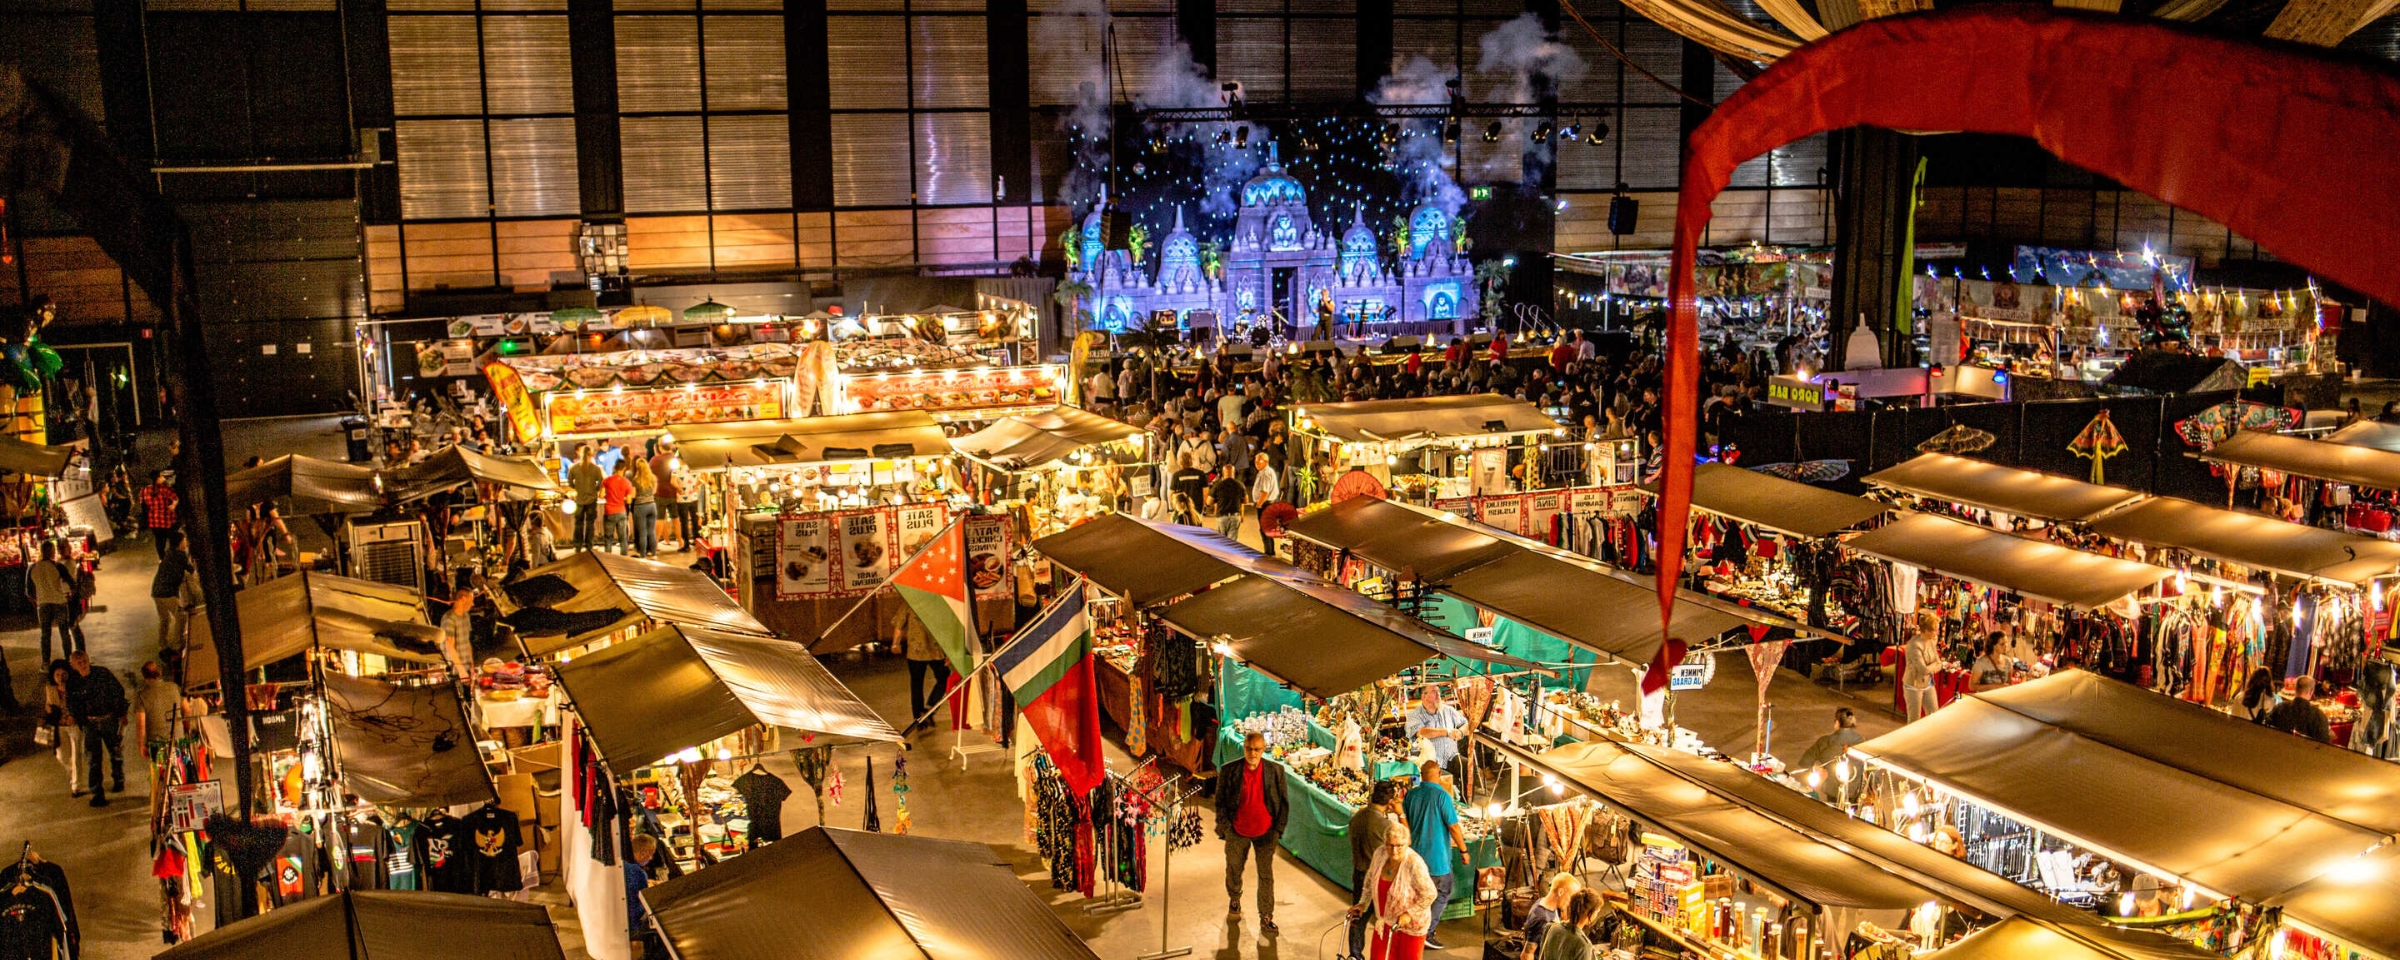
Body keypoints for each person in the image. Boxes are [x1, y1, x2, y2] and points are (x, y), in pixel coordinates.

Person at [1214, 731, 1289, 933]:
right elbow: (1220, 801)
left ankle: (1266, 915)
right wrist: (1226, 827)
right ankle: (1235, 898)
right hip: (1237, 831)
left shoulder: (1276, 771)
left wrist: (1277, 830)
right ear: (1243, 748)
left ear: (1263, 750)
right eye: (1249, 749)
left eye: (1257, 749)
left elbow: (1283, 803)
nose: (1252, 753)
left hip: (1266, 833)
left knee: (1266, 875)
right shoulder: (1230, 771)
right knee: (1234, 869)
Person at [1349, 818, 1437, 960]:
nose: (1394, 850)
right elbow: (1370, 880)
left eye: (1399, 846)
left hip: (1411, 928)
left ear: (1407, 843)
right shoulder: (1380, 854)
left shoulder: (1414, 864)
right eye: (1390, 845)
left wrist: (1409, 914)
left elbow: (1430, 893)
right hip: (1385, 922)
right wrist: (1362, 904)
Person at [1402, 760, 1466, 950]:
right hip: (1437, 861)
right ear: (1437, 773)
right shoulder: (1442, 796)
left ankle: (1411, 929)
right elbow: (1453, 827)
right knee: (1441, 893)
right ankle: (1426, 932)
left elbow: (1405, 822)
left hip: (1415, 858)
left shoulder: (1411, 795)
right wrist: (1464, 850)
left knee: (1417, 896)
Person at [1346, 780, 1405, 960]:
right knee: (1386, 919)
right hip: (1378, 878)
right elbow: (1405, 841)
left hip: (1359, 872)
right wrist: (1401, 814)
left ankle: (1355, 954)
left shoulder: (1357, 818)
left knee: (1359, 916)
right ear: (1389, 803)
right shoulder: (1384, 825)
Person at [66, 651, 127, 806]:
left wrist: (120, 713)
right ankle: (97, 793)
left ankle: (118, 777)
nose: (83, 664)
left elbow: (118, 692)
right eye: (78, 663)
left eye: (84, 661)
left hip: (109, 719)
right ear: (73, 664)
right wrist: (82, 720)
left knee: (115, 752)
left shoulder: (102, 674)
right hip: (90, 724)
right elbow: (72, 704)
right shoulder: (73, 683)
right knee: (93, 759)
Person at [1791, 708, 1864, 801]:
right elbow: (1873, 769)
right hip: (1854, 791)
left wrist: (1816, 768)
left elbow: (1805, 762)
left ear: (1837, 722)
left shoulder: (1824, 742)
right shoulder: (1863, 742)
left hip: (1832, 791)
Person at [28, 540, 83, 662]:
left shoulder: (32, 568)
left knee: (45, 635)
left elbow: (28, 592)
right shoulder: (58, 566)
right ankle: (69, 660)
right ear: (52, 552)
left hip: (43, 604)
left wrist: (37, 601)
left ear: (41, 552)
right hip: (59, 602)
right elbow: (72, 584)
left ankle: (46, 663)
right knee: (64, 633)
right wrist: (68, 595)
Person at [1404, 685, 1469, 786]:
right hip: (1429, 761)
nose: (1438, 694)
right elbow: (1422, 732)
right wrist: (1447, 732)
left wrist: (1460, 732)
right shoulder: (1414, 715)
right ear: (1423, 696)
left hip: (1451, 757)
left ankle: (1465, 801)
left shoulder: (1449, 710)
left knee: (1470, 769)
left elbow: (1466, 724)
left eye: (1438, 691)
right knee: (1447, 782)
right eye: (1434, 692)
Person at [898, 610, 949, 734]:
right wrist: (949, 652)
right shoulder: (937, 602)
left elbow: (899, 625)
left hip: (915, 652)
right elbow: (946, 629)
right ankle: (929, 709)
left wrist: (895, 643)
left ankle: (918, 720)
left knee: (916, 684)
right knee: (944, 678)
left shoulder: (908, 603)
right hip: (935, 650)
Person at [44, 661, 85, 797]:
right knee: (61, 756)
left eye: (63, 674)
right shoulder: (50, 689)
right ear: (53, 676)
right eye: (57, 674)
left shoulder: (75, 688)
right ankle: (74, 772)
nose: (60, 677)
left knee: (76, 755)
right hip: (59, 726)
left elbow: (81, 705)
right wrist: (48, 709)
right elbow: (47, 705)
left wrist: (74, 716)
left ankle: (76, 785)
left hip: (73, 726)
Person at [1522, 873, 1585, 960]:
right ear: (1560, 892)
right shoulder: (1542, 918)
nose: (1571, 903)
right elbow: (1527, 954)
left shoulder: (1546, 903)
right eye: (1571, 897)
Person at [1535, 891, 1612, 960]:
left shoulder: (1552, 927)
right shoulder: (1583, 944)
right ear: (1590, 914)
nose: (1597, 915)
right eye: (1597, 912)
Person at [153, 531, 193, 653]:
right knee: (181, 616)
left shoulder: (168, 553)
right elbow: (192, 570)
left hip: (156, 591)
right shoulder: (180, 555)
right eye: (185, 540)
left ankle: (162, 646)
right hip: (168, 592)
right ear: (181, 542)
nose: (186, 542)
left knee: (165, 619)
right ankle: (177, 644)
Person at [133, 660, 183, 759]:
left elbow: (140, 725)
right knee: (181, 764)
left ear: (144, 676)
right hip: (178, 738)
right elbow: (186, 709)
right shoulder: (174, 687)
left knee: (159, 770)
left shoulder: (142, 696)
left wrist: (141, 745)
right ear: (160, 673)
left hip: (156, 743)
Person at [626, 834, 663, 959]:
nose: (651, 858)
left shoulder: (626, 866)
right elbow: (645, 903)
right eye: (650, 854)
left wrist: (648, 883)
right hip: (634, 924)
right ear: (642, 854)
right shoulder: (639, 873)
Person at [2267, 675, 2334, 742]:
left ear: (2295, 689)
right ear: (2311, 692)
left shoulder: (2279, 708)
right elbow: (2323, 744)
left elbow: (2267, 728)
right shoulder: (2319, 716)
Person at [568, 444, 604, 550]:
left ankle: (577, 546)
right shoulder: (596, 469)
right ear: (591, 454)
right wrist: (595, 489)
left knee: (578, 523)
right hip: (591, 500)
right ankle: (589, 545)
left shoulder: (574, 468)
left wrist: (577, 488)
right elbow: (601, 482)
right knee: (590, 523)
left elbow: (570, 483)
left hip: (578, 500)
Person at [140, 470, 179, 558]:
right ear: (158, 478)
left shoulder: (144, 490)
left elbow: (143, 503)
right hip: (166, 519)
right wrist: (173, 505)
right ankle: (172, 558)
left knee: (159, 540)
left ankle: (161, 558)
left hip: (154, 520)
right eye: (161, 476)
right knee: (171, 539)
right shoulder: (165, 489)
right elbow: (175, 498)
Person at [602, 459, 636, 554]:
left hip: (609, 511)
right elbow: (629, 500)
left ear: (614, 468)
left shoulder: (607, 480)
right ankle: (624, 559)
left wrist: (608, 496)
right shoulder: (627, 482)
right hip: (621, 511)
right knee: (623, 538)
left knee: (608, 538)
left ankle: (607, 559)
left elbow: (601, 495)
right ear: (624, 468)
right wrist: (622, 497)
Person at [629, 454, 659, 558]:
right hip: (652, 505)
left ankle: (642, 555)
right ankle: (654, 554)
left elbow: (633, 495)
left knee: (642, 533)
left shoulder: (636, 480)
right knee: (651, 531)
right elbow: (654, 491)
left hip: (640, 506)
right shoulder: (653, 478)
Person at [1207, 471, 1246, 541]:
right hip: (1235, 516)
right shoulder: (1240, 484)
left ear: (1223, 474)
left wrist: (1217, 500)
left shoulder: (1217, 485)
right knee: (1232, 542)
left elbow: (1209, 502)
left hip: (1221, 516)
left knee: (1222, 542)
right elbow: (1246, 500)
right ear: (1233, 473)